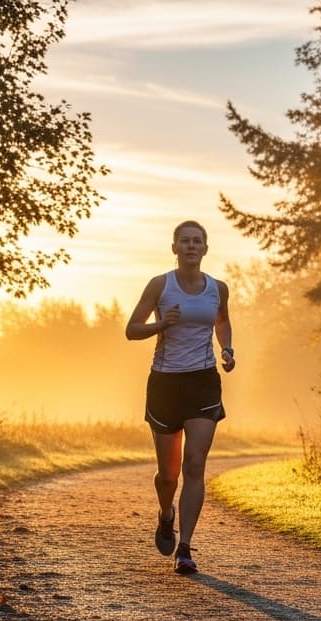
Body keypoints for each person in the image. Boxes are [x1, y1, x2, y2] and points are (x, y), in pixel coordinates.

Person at [125, 220, 235, 575]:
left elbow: (221, 322)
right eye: (184, 241)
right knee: (168, 475)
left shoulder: (218, 288)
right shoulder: (161, 285)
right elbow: (131, 329)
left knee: (195, 465)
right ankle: (165, 513)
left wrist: (228, 349)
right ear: (175, 248)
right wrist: (161, 325)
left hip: (203, 382)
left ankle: (185, 548)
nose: (191, 246)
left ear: (205, 248)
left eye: (197, 241)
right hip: (165, 383)